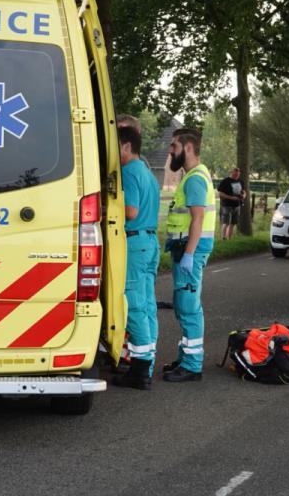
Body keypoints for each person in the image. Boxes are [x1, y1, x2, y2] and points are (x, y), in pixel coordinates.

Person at [162, 128, 216, 381]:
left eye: (174, 146)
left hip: (189, 249)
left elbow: (198, 217)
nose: (171, 151)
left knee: (189, 307)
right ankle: (185, 358)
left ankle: (192, 366)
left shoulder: (194, 178)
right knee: (185, 306)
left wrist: (190, 254)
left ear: (189, 148)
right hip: (185, 248)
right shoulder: (193, 175)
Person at [111, 126, 161, 390]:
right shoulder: (148, 173)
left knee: (134, 305)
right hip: (151, 241)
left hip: (134, 243)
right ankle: (147, 361)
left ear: (127, 146)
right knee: (148, 304)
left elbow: (130, 211)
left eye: (115, 145)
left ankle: (140, 370)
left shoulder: (129, 172)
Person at [217, 167, 246, 240]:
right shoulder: (225, 181)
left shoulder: (240, 181)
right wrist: (231, 198)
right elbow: (220, 193)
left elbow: (244, 191)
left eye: (238, 174)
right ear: (231, 173)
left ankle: (229, 239)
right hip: (227, 205)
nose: (237, 176)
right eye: (235, 174)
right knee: (226, 223)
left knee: (233, 223)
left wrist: (244, 195)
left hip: (237, 205)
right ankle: (223, 238)